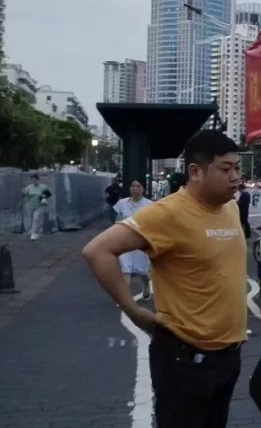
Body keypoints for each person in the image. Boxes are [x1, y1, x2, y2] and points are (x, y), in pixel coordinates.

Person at [82, 130, 247, 428]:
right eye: (225, 169)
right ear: (195, 172)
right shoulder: (167, 213)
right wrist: (131, 310)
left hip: (228, 356)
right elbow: (98, 250)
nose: (235, 176)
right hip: (183, 360)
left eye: (238, 167)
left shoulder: (231, 207)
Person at [113, 180, 154, 299]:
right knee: (125, 269)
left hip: (141, 242)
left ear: (143, 189)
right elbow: (117, 219)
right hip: (124, 241)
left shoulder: (150, 205)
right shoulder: (122, 203)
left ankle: (146, 287)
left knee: (142, 271)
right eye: (133, 186)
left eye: (138, 186)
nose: (135, 189)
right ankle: (125, 299)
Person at [21, 174, 51, 240]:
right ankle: (36, 231)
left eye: (35, 180)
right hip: (30, 206)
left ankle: (33, 234)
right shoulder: (28, 187)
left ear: (38, 180)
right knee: (32, 219)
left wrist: (44, 198)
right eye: (33, 180)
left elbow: (48, 194)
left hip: (40, 206)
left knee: (36, 218)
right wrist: (24, 194)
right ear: (31, 180)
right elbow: (24, 195)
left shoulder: (43, 187)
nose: (34, 181)